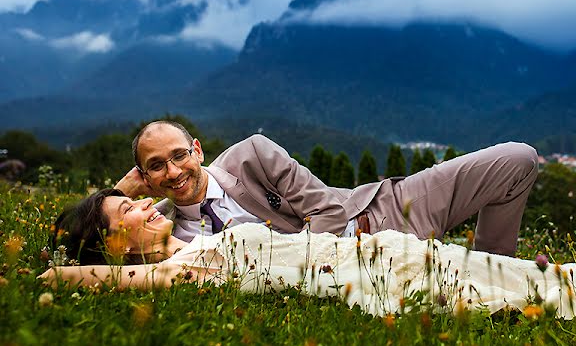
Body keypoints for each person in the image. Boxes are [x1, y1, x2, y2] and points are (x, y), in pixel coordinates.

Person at [43, 190, 576, 319]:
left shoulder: (194, 239)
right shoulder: (170, 270)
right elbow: (66, 275)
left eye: (135, 196)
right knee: (548, 292)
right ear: (110, 248)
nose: (142, 204)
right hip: (385, 282)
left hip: (385, 259)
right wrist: (83, 258)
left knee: (548, 281)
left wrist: (120, 196)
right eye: (125, 213)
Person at [114, 121, 538, 256]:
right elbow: (92, 232)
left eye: (179, 155)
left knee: (518, 159)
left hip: (385, 212)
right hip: (371, 272)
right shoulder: (163, 234)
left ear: (198, 150)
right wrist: (119, 192)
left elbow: (331, 215)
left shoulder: (252, 156)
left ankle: (495, 267)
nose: (173, 172)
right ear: (144, 177)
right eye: (156, 167)